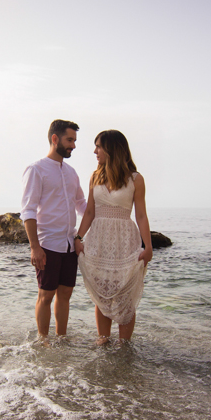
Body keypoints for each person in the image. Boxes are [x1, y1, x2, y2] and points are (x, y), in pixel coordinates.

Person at [74, 130, 152, 343]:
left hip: (125, 240)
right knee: (102, 293)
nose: (95, 151)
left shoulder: (136, 179)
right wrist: (78, 238)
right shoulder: (95, 176)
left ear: (112, 148)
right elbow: (89, 212)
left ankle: (124, 347)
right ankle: (103, 340)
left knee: (124, 295)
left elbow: (142, 215)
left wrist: (148, 246)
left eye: (98, 146)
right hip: (99, 241)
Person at [21, 120, 87, 340]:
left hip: (69, 244)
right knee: (46, 295)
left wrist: (106, 213)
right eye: (70, 140)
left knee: (66, 295)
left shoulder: (71, 172)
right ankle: (43, 341)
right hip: (47, 244)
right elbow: (28, 211)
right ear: (55, 138)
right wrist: (35, 248)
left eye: (75, 141)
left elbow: (81, 204)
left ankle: (61, 338)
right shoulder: (36, 170)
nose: (73, 146)